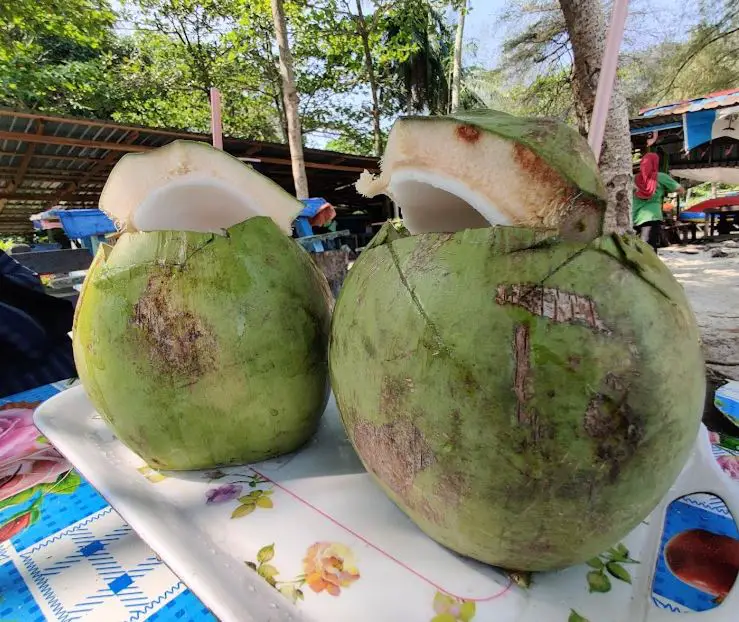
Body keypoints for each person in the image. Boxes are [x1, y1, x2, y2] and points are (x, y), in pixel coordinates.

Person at [633, 153, 685, 252]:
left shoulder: (634, 178)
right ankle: (649, 267)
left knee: (637, 248)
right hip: (652, 216)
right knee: (649, 248)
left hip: (633, 217)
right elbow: (681, 190)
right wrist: (665, 190)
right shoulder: (660, 177)